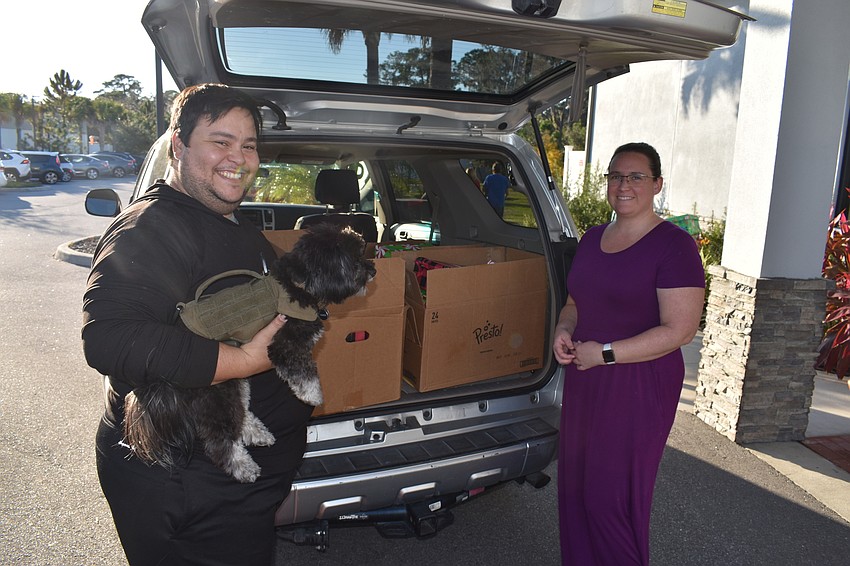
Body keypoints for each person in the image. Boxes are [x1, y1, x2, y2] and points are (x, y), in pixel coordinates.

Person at [82, 83, 313, 566]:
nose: (239, 158)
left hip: (235, 484)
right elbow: (110, 338)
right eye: (221, 141)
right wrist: (244, 361)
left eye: (248, 145)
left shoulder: (228, 221)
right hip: (190, 484)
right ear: (179, 145)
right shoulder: (151, 228)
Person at [552, 142, 705, 566]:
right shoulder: (592, 238)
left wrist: (604, 353)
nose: (624, 185)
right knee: (576, 491)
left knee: (609, 501)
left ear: (657, 184)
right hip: (586, 375)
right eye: (616, 176)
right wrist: (564, 330)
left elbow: (680, 330)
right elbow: (575, 302)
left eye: (636, 176)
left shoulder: (674, 246)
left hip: (638, 384)